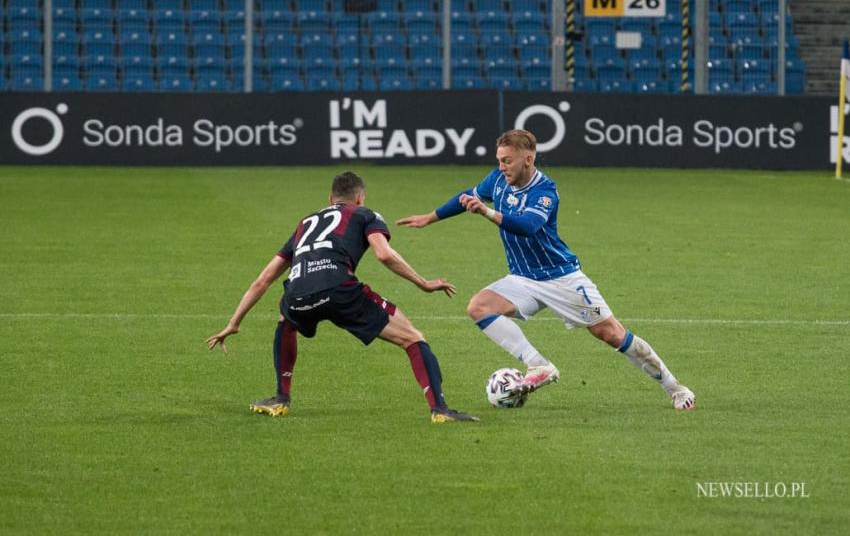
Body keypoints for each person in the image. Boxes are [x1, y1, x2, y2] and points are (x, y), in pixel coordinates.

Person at [397, 129, 695, 410]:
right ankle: (538, 364)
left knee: (612, 334)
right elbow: (467, 195)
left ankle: (674, 387)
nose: (502, 167)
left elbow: (528, 226)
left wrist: (486, 211)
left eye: (507, 160)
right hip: (523, 278)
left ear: (528, 158)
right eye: (499, 160)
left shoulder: (545, 191)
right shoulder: (497, 181)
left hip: (561, 278)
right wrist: (430, 217)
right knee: (479, 306)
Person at [207, 171, 478, 423]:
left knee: (286, 316)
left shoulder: (305, 224)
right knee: (413, 338)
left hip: (298, 295)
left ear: (329, 199)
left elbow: (263, 280)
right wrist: (424, 283)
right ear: (359, 198)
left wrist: (234, 323)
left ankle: (281, 398)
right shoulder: (365, 214)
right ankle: (440, 409)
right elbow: (383, 254)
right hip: (339, 289)